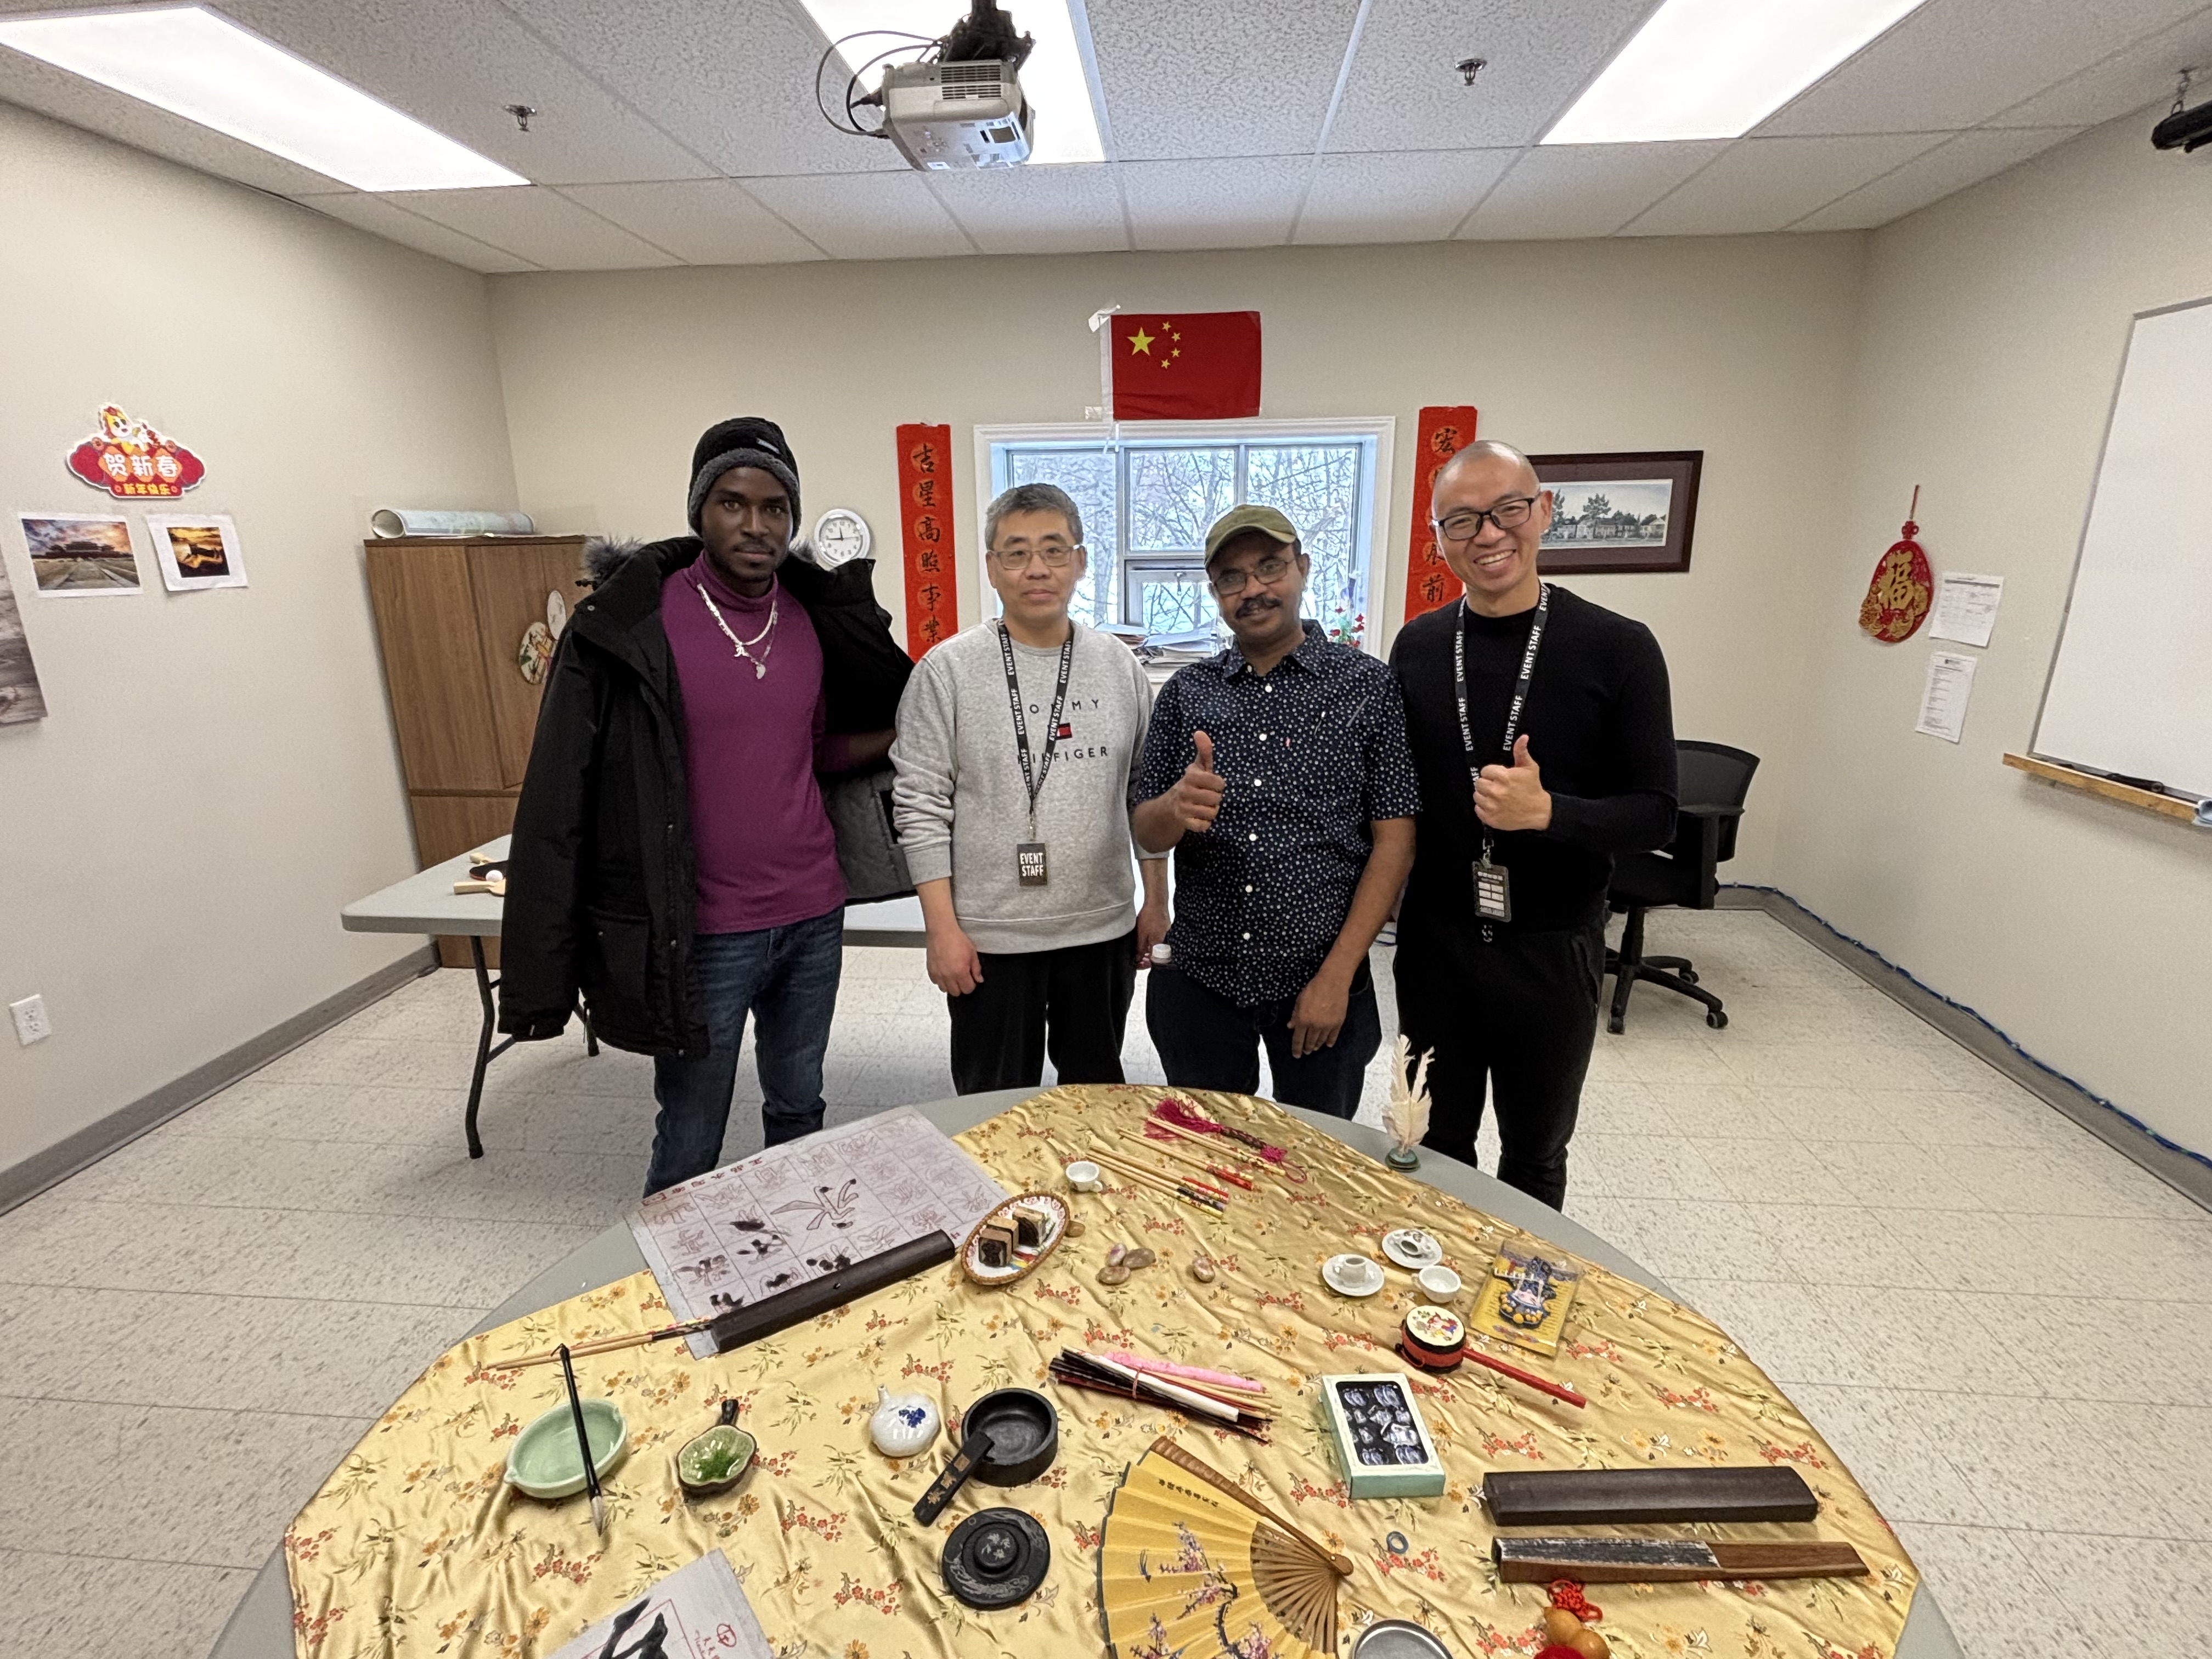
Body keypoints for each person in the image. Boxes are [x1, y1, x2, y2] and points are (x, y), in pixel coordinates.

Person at [499, 417, 910, 1194]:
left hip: (813, 914)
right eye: (733, 503)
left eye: (776, 508)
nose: (756, 525)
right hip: (702, 930)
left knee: (799, 1107)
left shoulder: (815, 619)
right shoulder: (631, 628)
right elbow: (562, 797)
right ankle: (675, 1289)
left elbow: (811, 749)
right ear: (700, 512)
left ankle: (793, 1256)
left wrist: (902, 734)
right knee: (691, 1129)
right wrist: (539, 975)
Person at [1389, 439, 1677, 1208]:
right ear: (1438, 536)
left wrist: (1549, 813)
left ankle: (1516, 1304)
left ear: (1544, 512)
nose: (1488, 534)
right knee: (1434, 1139)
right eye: (1462, 520)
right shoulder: (1417, 647)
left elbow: (1656, 812)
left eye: (1507, 510)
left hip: (1552, 947)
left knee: (1535, 1151)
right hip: (1437, 943)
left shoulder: (1620, 648)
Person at [1133, 505, 1420, 1117]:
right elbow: (1145, 827)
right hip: (1201, 974)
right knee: (1207, 1156)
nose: (1253, 589)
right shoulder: (1187, 692)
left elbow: (1395, 840)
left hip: (1319, 976)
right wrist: (1176, 806)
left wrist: (1338, 976)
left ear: (1303, 569)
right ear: (1215, 593)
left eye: (1270, 567)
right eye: (1231, 578)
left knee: (1316, 1162)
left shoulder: (1367, 687)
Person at [891, 483, 1169, 1093]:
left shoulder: (1120, 667)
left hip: (1100, 929)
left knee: (1095, 1096)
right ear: (992, 567)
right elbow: (919, 805)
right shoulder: (948, 670)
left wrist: (1156, 899)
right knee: (992, 1101)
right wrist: (942, 928)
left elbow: (1141, 793)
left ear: (1080, 561)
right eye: (1015, 553)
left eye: (1053, 549)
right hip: (989, 934)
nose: (1036, 568)